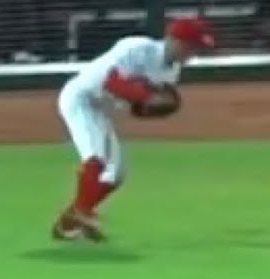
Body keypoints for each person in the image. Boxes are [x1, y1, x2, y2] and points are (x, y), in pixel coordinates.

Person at [52, 17, 215, 242]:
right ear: (175, 40)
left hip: (100, 110)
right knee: (96, 159)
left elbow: (137, 108)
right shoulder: (138, 48)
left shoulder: (171, 72)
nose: (193, 54)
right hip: (80, 99)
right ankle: (82, 213)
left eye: (197, 49)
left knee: (116, 174)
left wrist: (148, 107)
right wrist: (146, 96)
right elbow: (111, 82)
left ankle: (70, 221)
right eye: (191, 46)